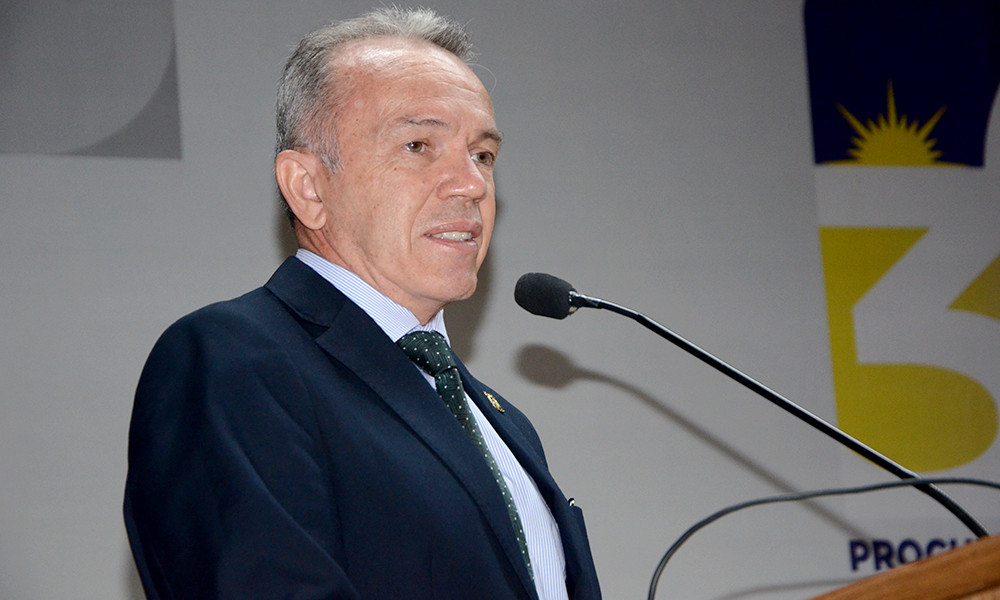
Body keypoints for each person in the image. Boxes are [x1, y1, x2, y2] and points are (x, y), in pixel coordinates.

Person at [123, 7, 601, 600]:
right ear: (308, 188)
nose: (473, 184)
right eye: (419, 145)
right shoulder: (234, 362)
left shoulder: (503, 425)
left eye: (482, 155)